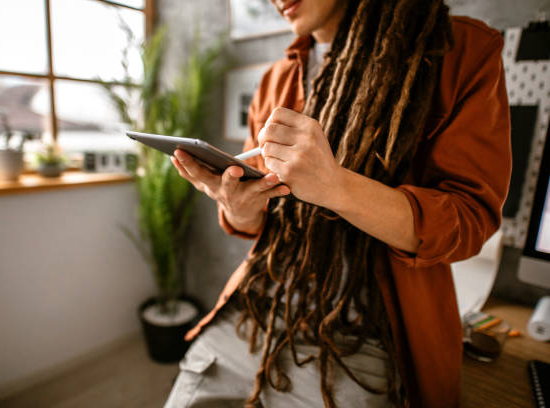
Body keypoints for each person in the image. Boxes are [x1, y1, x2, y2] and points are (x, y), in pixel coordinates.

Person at [165, 0, 511, 406]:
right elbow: (254, 225)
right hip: (255, 312)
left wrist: (336, 187)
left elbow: (469, 220)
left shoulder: (458, 50)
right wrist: (235, 204)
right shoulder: (276, 80)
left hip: (362, 341)